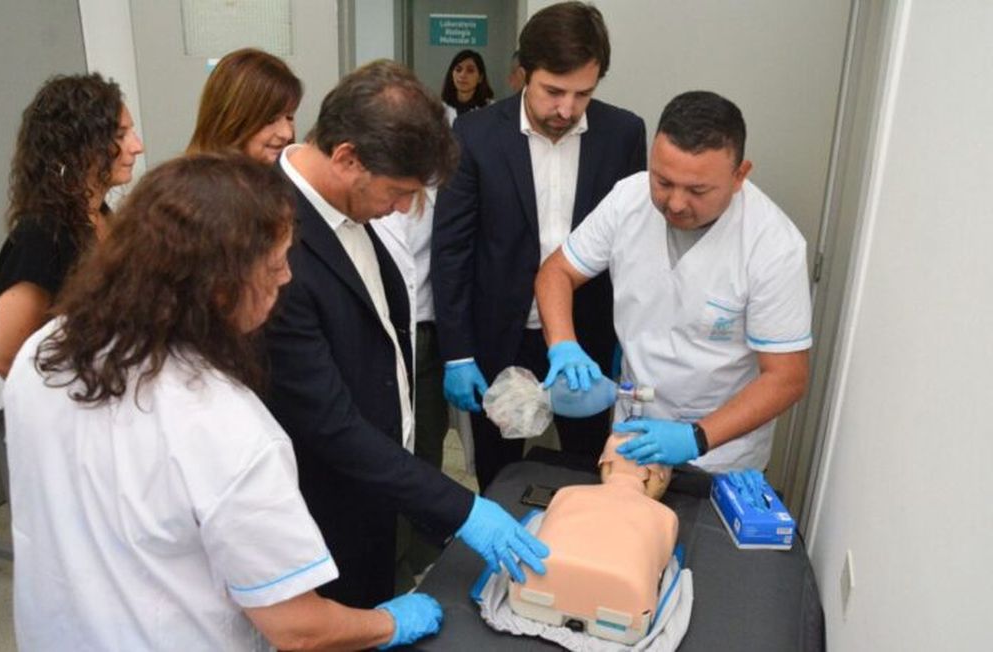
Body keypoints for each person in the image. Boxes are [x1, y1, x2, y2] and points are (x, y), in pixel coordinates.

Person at [4, 153, 443, 650]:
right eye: (275, 264)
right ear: (218, 290)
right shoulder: (226, 427)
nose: (287, 278)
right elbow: (299, 628)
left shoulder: (43, 353)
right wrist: (390, 623)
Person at [264, 59, 548, 608]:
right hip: (319, 515)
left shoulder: (347, 209)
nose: (402, 209)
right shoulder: (271, 239)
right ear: (346, 158)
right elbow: (329, 422)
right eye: (398, 191)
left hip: (374, 494)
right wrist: (462, 509)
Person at [431, 1, 648, 490]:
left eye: (582, 94)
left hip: (586, 338)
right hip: (499, 336)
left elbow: (632, 246)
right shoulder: (475, 134)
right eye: (553, 91)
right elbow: (452, 249)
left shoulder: (623, 134)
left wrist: (625, 340)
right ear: (523, 73)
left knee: (588, 471)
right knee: (500, 474)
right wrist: (458, 352)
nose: (566, 110)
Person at [535, 91, 812, 472]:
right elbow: (557, 272)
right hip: (633, 430)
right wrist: (563, 344)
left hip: (720, 450)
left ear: (739, 176)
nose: (676, 203)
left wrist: (696, 437)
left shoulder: (773, 246)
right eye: (663, 181)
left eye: (697, 190)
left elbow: (786, 377)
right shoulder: (628, 200)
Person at [0, 73, 144, 378]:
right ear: (78, 145)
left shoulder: (105, 219)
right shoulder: (40, 236)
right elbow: (4, 356)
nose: (137, 146)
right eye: (120, 135)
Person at [186, 47, 302, 164]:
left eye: (289, 117)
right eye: (270, 120)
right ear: (229, 119)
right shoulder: (195, 176)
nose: (287, 134)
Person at [440, 49, 494, 119]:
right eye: (458, 70)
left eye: (470, 70)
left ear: (480, 78)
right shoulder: (440, 108)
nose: (462, 75)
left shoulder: (492, 109)